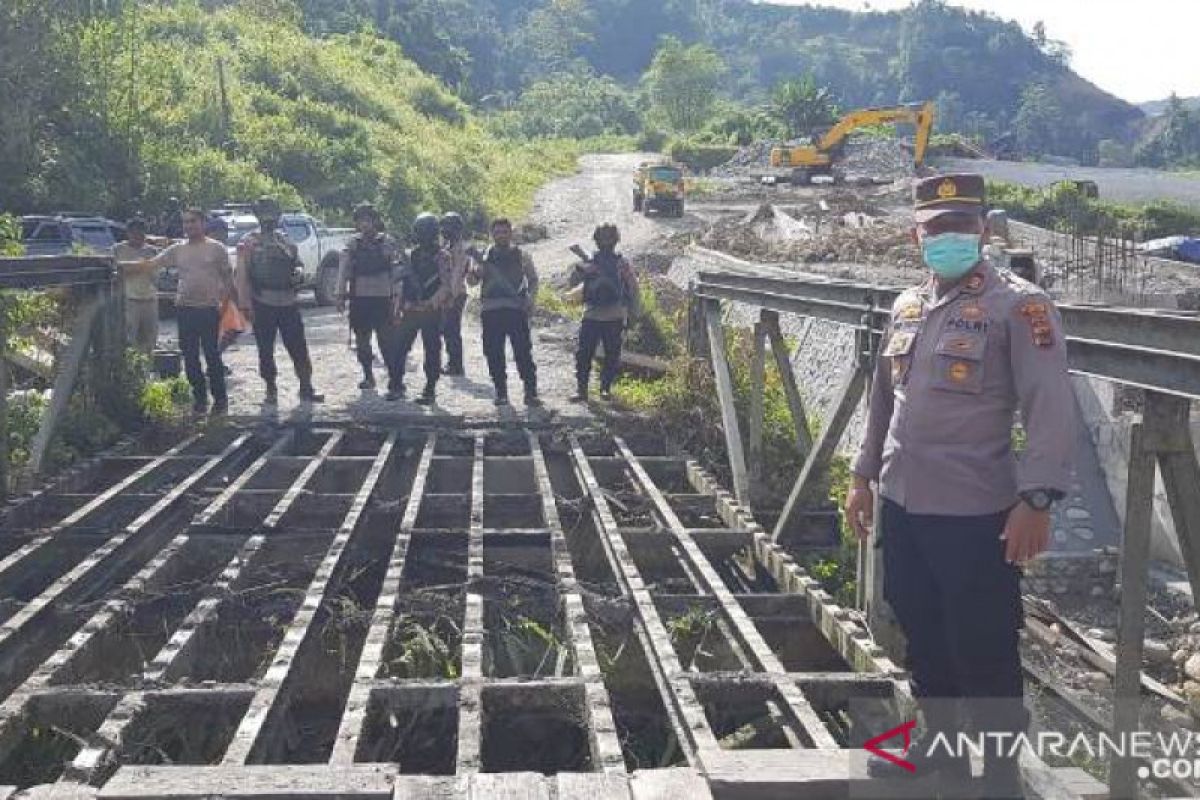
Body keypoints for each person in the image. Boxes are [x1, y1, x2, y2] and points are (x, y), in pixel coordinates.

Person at [845, 174, 1074, 799]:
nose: (946, 236)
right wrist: (863, 476)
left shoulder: (1019, 306)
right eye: (934, 226)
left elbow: (1049, 403)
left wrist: (1038, 497)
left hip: (976, 510)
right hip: (904, 503)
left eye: (959, 224)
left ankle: (999, 773)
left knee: (985, 640)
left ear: (983, 229)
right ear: (917, 233)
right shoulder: (907, 306)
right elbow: (882, 402)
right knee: (920, 627)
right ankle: (938, 749)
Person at [131, 208, 236, 414]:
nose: (189, 226)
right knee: (189, 357)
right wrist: (123, 266)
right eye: (186, 222)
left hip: (208, 310)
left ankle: (220, 399)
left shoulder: (217, 249)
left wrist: (233, 307)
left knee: (212, 355)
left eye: (193, 221)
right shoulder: (178, 250)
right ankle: (199, 399)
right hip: (185, 309)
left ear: (202, 223)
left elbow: (228, 278)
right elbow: (153, 264)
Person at [235, 197, 323, 405]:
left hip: (288, 302)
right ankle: (270, 389)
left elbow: (298, 263)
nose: (269, 218)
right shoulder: (249, 242)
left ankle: (306, 386)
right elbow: (242, 274)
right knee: (265, 349)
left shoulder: (285, 240)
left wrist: (299, 274)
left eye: (272, 213)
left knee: (298, 347)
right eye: (265, 213)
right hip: (262, 301)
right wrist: (244, 304)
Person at [466, 218, 540, 407]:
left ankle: (530, 392)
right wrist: (475, 272)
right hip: (491, 310)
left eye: (504, 232)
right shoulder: (484, 255)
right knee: (493, 353)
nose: (501, 235)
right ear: (492, 234)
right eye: (497, 232)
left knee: (523, 352)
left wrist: (530, 298)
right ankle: (501, 392)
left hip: (516, 310)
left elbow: (533, 279)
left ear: (511, 233)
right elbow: (472, 283)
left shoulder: (522, 255)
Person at [336, 203, 406, 400]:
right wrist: (340, 295)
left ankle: (395, 382)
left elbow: (398, 272)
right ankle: (368, 375)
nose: (364, 224)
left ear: (375, 221)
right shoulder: (352, 245)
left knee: (387, 343)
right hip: (360, 299)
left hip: (383, 299)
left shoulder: (387, 243)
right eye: (360, 220)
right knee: (362, 343)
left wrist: (398, 299)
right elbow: (343, 271)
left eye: (368, 220)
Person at [567, 223, 640, 402]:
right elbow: (634, 290)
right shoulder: (597, 262)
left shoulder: (621, 264)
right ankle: (584, 390)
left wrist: (633, 314)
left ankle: (602, 389)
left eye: (608, 238)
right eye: (603, 238)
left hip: (609, 315)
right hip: (596, 314)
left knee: (608, 354)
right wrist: (584, 271)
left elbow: (632, 289)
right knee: (586, 354)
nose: (606, 241)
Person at [395, 213, 454, 405]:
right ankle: (396, 384)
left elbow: (446, 285)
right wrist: (400, 306)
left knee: (432, 350)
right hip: (411, 309)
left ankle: (430, 389)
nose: (422, 236)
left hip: (431, 311)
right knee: (399, 347)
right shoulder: (412, 255)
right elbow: (403, 283)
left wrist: (430, 303)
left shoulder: (442, 256)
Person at [112, 217, 160, 356]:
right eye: (135, 233)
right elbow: (117, 271)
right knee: (129, 339)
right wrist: (141, 266)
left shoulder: (152, 251)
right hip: (129, 299)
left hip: (149, 299)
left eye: (142, 233)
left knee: (149, 339)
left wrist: (132, 267)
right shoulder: (118, 249)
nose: (139, 236)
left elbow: (156, 274)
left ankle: (146, 371)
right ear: (128, 233)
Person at [439, 212, 471, 376]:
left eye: (448, 226)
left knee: (451, 330)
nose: (445, 230)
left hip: (456, 293)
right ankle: (453, 363)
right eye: (444, 226)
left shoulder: (460, 249)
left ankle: (456, 365)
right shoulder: (448, 246)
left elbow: (457, 273)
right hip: (450, 293)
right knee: (447, 330)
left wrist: (450, 295)